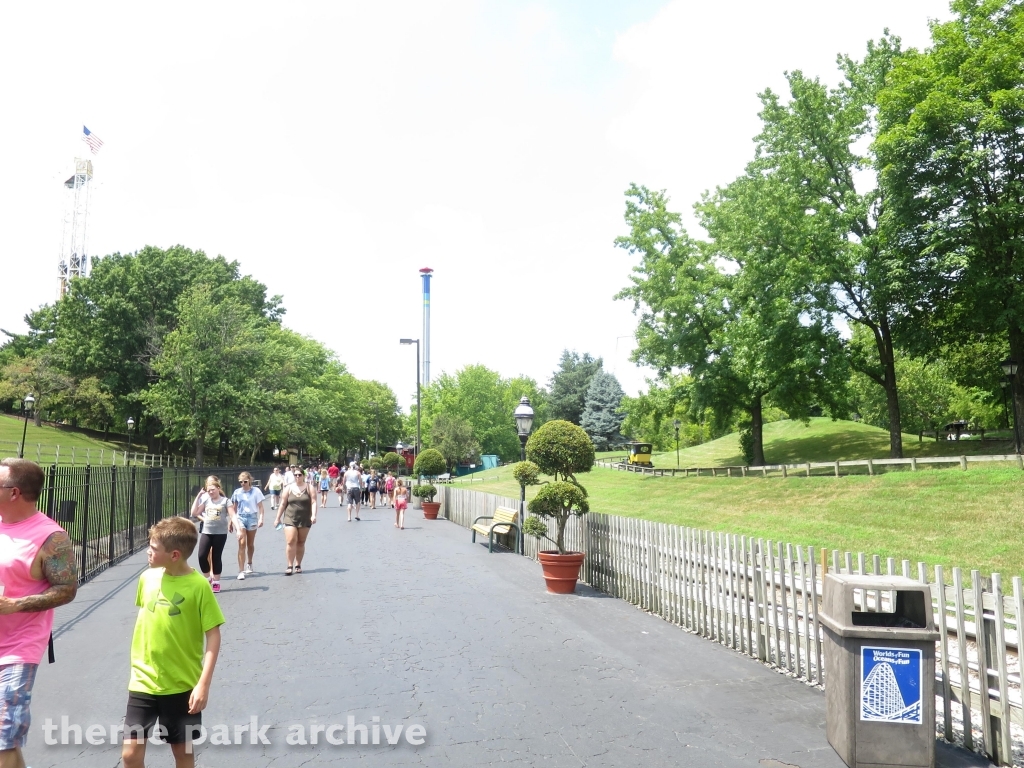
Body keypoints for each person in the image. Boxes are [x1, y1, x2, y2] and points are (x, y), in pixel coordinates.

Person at [121, 517, 224, 768]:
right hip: (143, 681)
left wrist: (203, 685)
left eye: (154, 548)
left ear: (174, 554)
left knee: (182, 753)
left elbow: (213, 635)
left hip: (181, 686)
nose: (148, 551)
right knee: (130, 754)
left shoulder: (199, 586)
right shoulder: (147, 578)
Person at [0, 459, 79, 768]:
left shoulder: (51, 537)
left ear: (14, 492)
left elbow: (66, 588)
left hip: (20, 647)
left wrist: (16, 604)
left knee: (5, 734)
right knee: (6, 739)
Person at [189, 478, 230, 593]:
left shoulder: (225, 501)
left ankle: (216, 582)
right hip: (207, 530)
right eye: (208, 490)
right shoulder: (206, 500)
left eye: (212, 489)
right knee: (202, 556)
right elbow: (194, 513)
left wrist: (237, 527)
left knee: (216, 556)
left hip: (220, 532)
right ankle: (208, 579)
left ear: (218, 488)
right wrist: (198, 496)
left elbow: (233, 515)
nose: (211, 492)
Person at [273, 469, 316, 575]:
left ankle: (298, 565)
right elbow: (283, 504)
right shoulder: (288, 488)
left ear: (303, 476)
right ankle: (289, 565)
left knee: (301, 542)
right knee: (291, 541)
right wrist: (277, 518)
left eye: (299, 475)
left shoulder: (309, 488)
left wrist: (314, 515)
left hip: (305, 518)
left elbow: (314, 502)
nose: (297, 477)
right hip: (290, 518)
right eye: (295, 475)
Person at [229, 472, 265, 581]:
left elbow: (261, 507)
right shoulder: (237, 492)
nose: (243, 484)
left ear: (249, 480)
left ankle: (249, 562)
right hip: (240, 518)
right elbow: (233, 509)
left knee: (250, 543)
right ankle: (241, 570)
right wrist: (231, 522)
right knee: (242, 543)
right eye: (241, 482)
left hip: (252, 517)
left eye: (245, 481)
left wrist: (261, 518)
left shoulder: (256, 491)